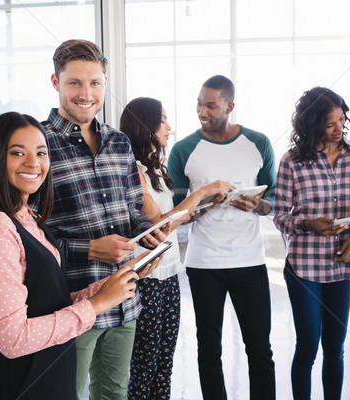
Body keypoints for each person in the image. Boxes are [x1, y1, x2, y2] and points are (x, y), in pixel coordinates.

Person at [0, 112, 160, 400]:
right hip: (22, 388)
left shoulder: (27, 217)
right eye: (17, 153)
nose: (33, 163)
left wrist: (104, 290)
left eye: (41, 153)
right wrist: (97, 304)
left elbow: (44, 302)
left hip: (51, 382)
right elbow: (13, 339)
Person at [42, 40, 168, 400]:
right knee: (66, 393)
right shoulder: (38, 144)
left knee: (114, 392)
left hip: (125, 299)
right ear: (55, 82)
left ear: (105, 83)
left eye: (95, 83)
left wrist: (149, 239)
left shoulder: (119, 141)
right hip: (71, 304)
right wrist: (89, 250)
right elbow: (29, 236)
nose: (86, 94)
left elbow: (132, 211)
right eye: (75, 83)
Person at [167, 75, 277, 400]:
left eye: (211, 105)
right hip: (204, 263)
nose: (202, 111)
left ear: (230, 106)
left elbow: (274, 201)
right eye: (199, 103)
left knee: (259, 348)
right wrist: (199, 206)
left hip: (250, 261)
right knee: (208, 349)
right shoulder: (183, 149)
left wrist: (258, 205)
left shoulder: (259, 143)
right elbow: (174, 211)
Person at [119, 96, 234, 399]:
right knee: (145, 365)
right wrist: (202, 192)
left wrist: (204, 205)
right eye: (163, 120)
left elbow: (173, 219)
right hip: (146, 279)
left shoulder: (156, 168)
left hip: (169, 274)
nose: (169, 127)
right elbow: (158, 225)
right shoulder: (134, 172)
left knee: (164, 363)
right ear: (145, 126)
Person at [273, 87, 350, 400]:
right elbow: (280, 217)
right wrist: (306, 224)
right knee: (309, 345)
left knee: (335, 349)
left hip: (342, 264)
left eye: (342, 120)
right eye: (330, 124)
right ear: (312, 124)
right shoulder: (292, 162)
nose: (339, 128)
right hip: (304, 268)